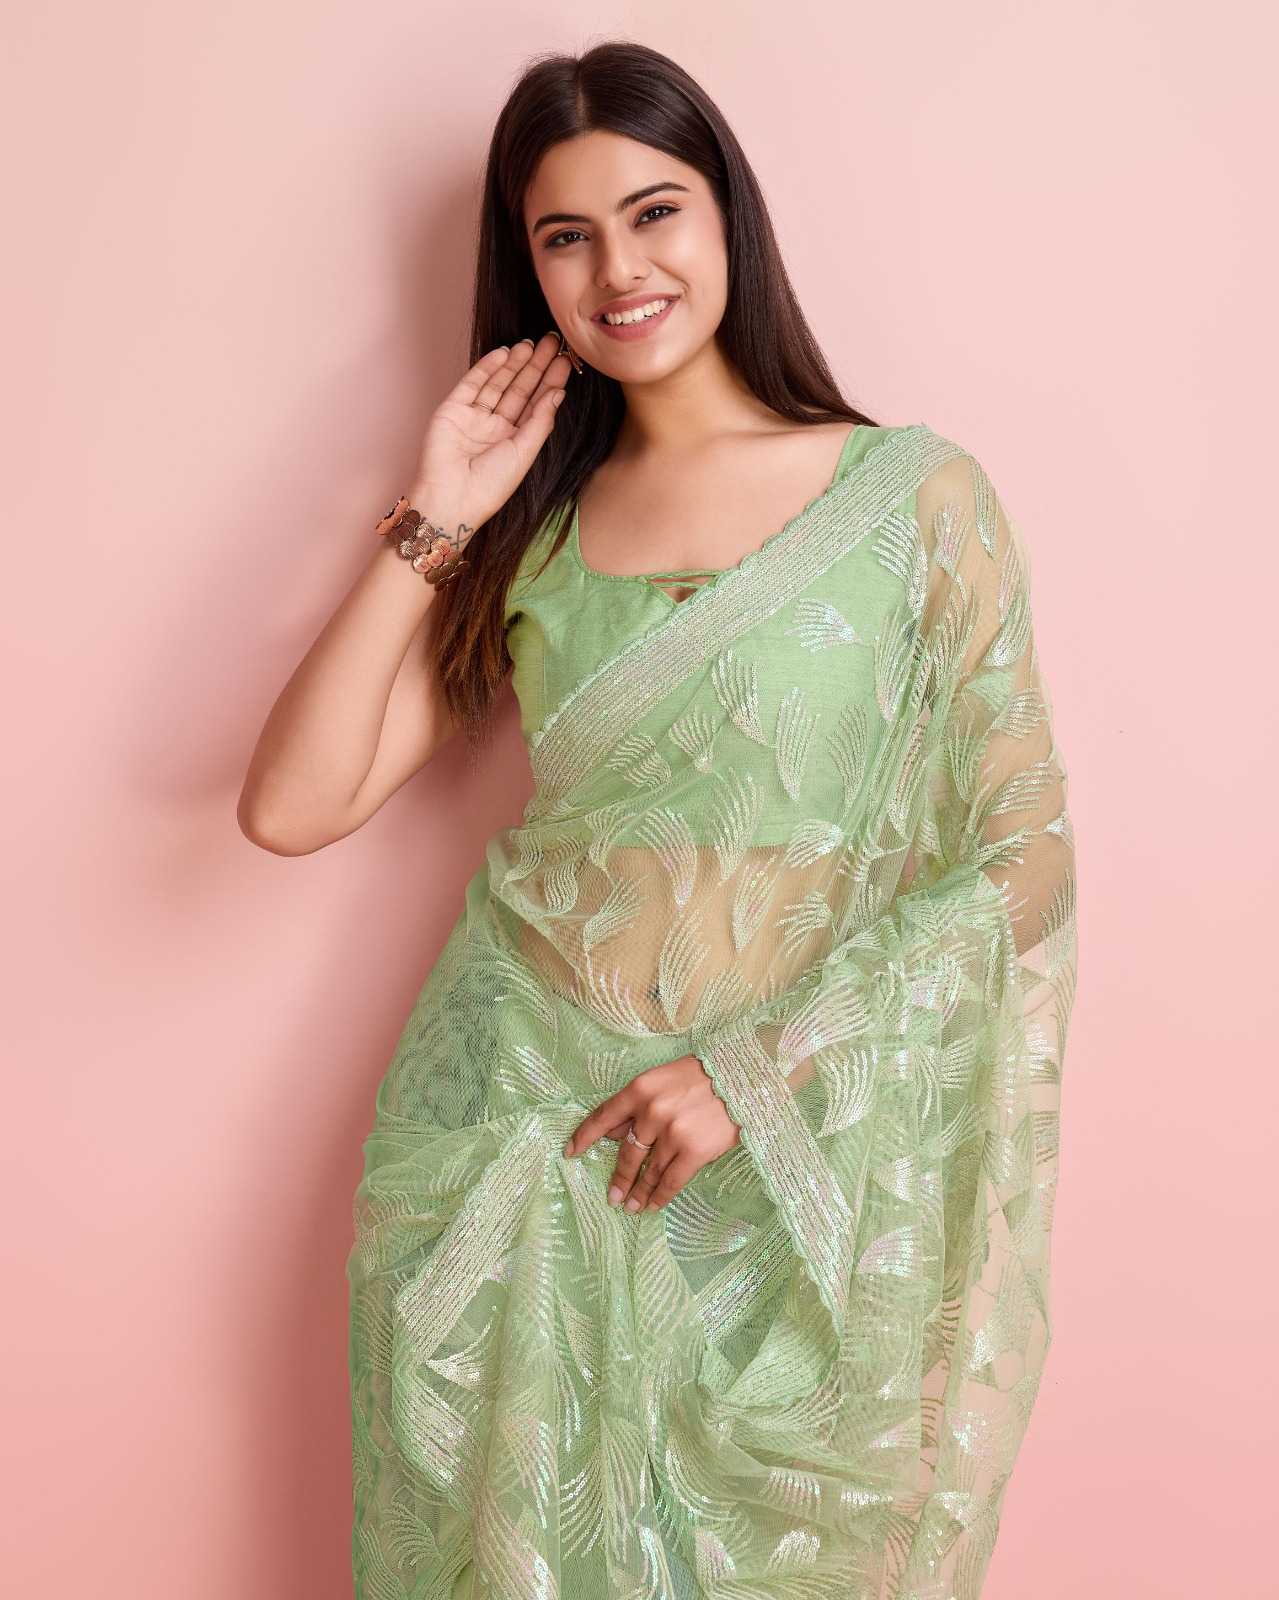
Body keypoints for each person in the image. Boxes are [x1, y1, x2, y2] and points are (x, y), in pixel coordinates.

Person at [238, 39, 1079, 1600]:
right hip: (519, 1147)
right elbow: (293, 804)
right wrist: (444, 507)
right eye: (566, 236)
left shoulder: (912, 498)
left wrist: (760, 1069)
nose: (619, 271)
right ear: (530, 271)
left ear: (727, 214)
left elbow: (1021, 859)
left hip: (790, 1156)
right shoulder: (533, 531)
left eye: (654, 212)